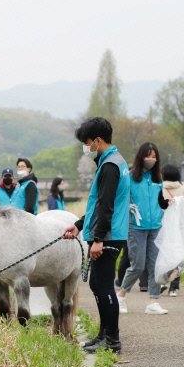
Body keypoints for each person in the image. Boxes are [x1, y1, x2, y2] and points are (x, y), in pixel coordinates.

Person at [63, 117, 130, 353]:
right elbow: (97, 205)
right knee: (97, 284)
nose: (86, 147)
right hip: (107, 234)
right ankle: (103, 335)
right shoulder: (111, 162)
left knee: (104, 286)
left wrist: (99, 239)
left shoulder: (110, 166)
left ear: (97, 141)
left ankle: (112, 341)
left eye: (87, 142)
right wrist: (79, 225)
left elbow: (106, 205)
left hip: (109, 236)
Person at [117, 142, 172, 315]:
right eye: (148, 155)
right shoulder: (129, 177)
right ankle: (121, 296)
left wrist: (168, 202)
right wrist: (128, 207)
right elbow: (120, 199)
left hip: (155, 227)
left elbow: (159, 201)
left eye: (154, 156)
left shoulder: (157, 179)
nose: (151, 159)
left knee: (155, 266)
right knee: (138, 265)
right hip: (136, 227)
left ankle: (153, 302)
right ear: (141, 157)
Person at [161, 163, 184, 297]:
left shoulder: (160, 188)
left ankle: (163, 282)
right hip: (179, 228)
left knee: (164, 255)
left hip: (163, 228)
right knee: (178, 256)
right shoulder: (183, 189)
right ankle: (174, 288)